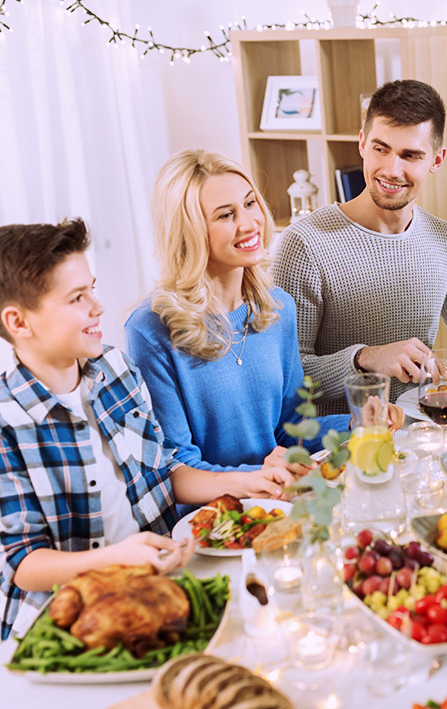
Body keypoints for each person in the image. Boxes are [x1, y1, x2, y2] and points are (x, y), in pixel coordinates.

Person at [0, 219, 291, 651]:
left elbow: (161, 471)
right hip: (60, 625)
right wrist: (118, 558)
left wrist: (245, 481)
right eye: (77, 298)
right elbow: (24, 563)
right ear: (19, 322)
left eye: (91, 288)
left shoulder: (116, 370)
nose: (97, 306)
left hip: (153, 588)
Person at [273, 79, 447, 415]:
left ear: (437, 159)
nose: (392, 170)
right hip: (342, 449)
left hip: (422, 433)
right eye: (381, 149)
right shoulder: (304, 244)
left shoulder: (443, 239)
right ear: (362, 143)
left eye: (411, 155)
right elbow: (283, 378)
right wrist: (367, 359)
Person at [125, 149, 352, 480]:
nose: (249, 224)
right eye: (225, 215)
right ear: (190, 232)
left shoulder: (278, 309)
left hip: (281, 497)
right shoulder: (152, 329)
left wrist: (356, 421)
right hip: (216, 517)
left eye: (249, 204)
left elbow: (291, 430)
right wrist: (260, 476)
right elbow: (176, 466)